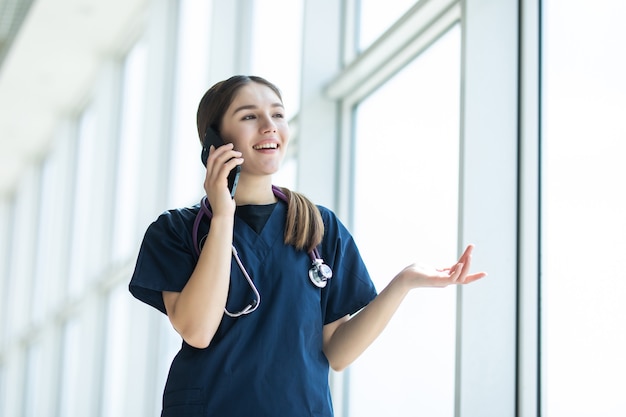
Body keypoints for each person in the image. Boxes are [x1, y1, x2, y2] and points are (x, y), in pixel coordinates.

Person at [129, 75, 487, 417]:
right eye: (250, 116)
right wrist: (223, 215)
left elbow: (338, 352)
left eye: (278, 114)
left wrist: (404, 282)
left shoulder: (319, 227)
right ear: (214, 139)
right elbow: (197, 330)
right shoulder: (176, 231)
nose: (269, 125)